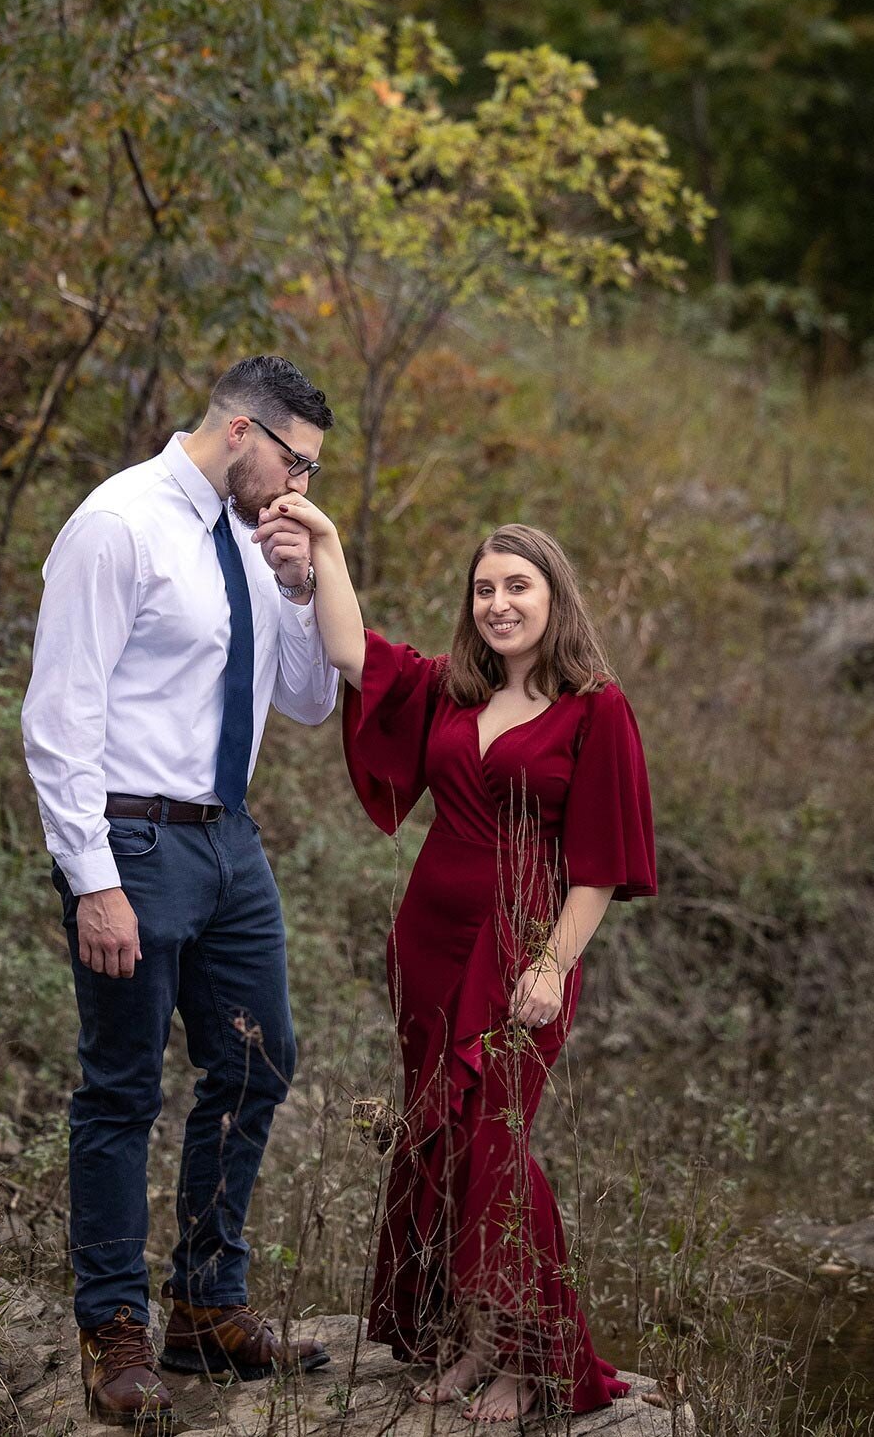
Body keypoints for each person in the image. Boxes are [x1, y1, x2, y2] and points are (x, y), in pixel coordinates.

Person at [252, 497, 656, 1423]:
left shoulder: (598, 708)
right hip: (428, 945)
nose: (499, 604)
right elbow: (354, 653)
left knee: (495, 1144)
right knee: (437, 1137)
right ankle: (468, 1338)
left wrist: (552, 965)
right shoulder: (450, 687)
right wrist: (327, 543)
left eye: (519, 586)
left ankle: (526, 1356)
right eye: (484, 588)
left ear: (556, 597)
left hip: (523, 952)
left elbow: (597, 869)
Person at [21, 356, 340, 1432]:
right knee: (120, 1088)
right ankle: (112, 1329)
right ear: (243, 431)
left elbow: (302, 701)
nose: (300, 487)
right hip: (133, 835)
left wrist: (298, 585)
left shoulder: (253, 543)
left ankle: (206, 1301)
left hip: (228, 843)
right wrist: (92, 880)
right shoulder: (119, 524)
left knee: (258, 1058)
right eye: (295, 463)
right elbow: (59, 716)